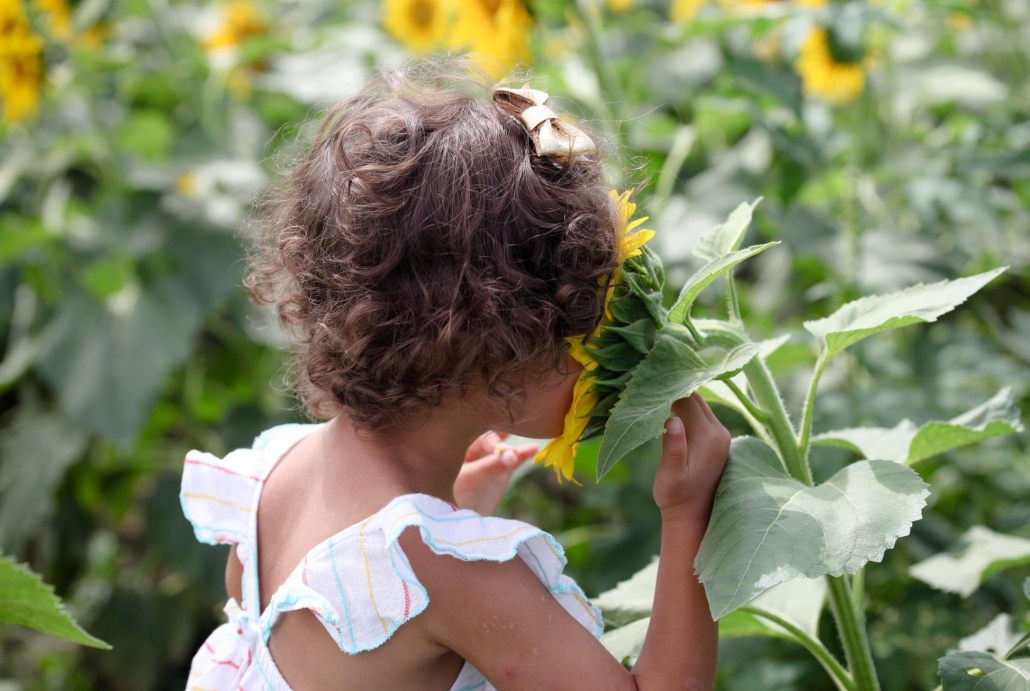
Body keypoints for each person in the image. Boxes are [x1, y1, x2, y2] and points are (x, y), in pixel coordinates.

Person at [179, 61, 730, 691]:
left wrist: (447, 514)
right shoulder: (451, 573)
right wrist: (690, 515)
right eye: (587, 321)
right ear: (498, 346)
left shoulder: (273, 475)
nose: (600, 348)